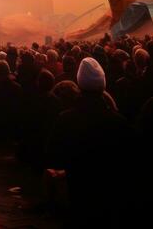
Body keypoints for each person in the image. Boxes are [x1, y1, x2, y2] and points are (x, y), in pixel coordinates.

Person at [48, 57, 136, 227]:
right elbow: (130, 160)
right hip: (111, 196)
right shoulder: (118, 121)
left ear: (80, 83)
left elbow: (53, 156)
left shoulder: (66, 119)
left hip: (79, 192)